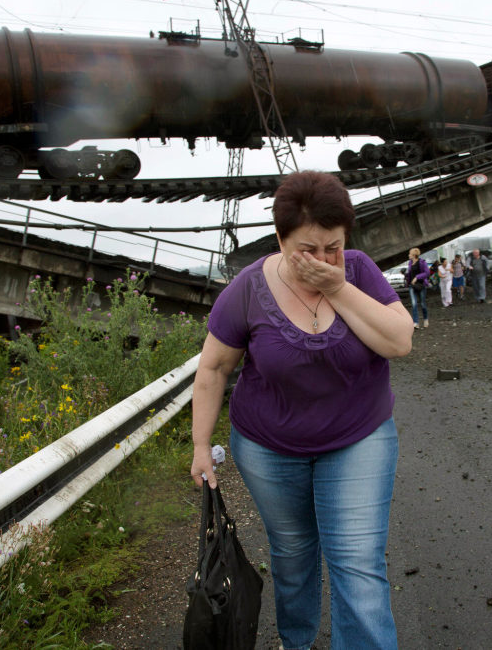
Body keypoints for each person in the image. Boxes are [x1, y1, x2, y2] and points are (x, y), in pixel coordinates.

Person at [190, 170, 414, 650]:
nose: (323, 259)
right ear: (278, 239)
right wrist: (200, 445)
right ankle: (298, 641)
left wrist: (337, 285)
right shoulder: (247, 290)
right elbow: (212, 371)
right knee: (292, 555)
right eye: (308, 250)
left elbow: (399, 341)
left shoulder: (358, 271)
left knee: (356, 562)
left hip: (359, 437)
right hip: (269, 448)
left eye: (333, 246)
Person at [406, 247, 430, 328]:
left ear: (414, 255)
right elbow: (409, 274)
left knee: (423, 304)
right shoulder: (409, 263)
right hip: (412, 286)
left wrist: (417, 277)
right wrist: (407, 281)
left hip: (421, 285)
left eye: (410, 253)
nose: (408, 255)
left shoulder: (422, 262)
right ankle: (416, 322)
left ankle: (425, 319)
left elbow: (427, 273)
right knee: (414, 304)